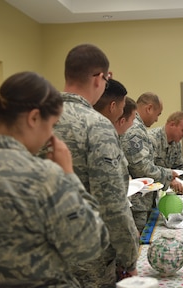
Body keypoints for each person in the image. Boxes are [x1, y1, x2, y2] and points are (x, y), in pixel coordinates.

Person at [0, 71, 110, 287]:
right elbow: (90, 244)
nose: (50, 136)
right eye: (52, 126)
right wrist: (69, 175)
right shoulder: (44, 176)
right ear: (34, 117)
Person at [53, 44, 139, 287]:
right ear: (100, 78)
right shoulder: (96, 126)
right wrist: (129, 258)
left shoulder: (36, 121)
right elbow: (112, 204)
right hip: (86, 262)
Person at [120, 92, 177, 232]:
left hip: (141, 200)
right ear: (149, 108)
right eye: (158, 114)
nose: (157, 120)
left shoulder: (138, 128)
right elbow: (142, 168)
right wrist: (168, 174)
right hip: (137, 201)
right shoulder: (135, 130)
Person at [148, 111, 183, 193]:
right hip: (143, 195)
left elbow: (179, 166)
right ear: (172, 124)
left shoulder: (176, 143)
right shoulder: (151, 139)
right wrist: (169, 179)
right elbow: (147, 170)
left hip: (158, 193)